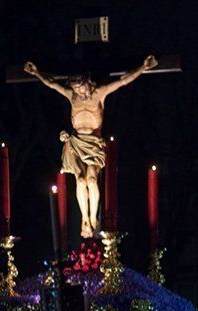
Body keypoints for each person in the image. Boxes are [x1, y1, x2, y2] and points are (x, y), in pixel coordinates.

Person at [23, 55, 159, 237]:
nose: (79, 92)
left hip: (94, 144)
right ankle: (84, 219)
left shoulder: (99, 93)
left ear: (88, 82)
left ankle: (93, 217)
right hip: (76, 142)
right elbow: (51, 84)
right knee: (79, 180)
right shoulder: (72, 96)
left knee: (91, 180)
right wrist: (37, 73)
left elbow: (123, 81)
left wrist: (143, 67)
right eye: (76, 89)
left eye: (81, 88)